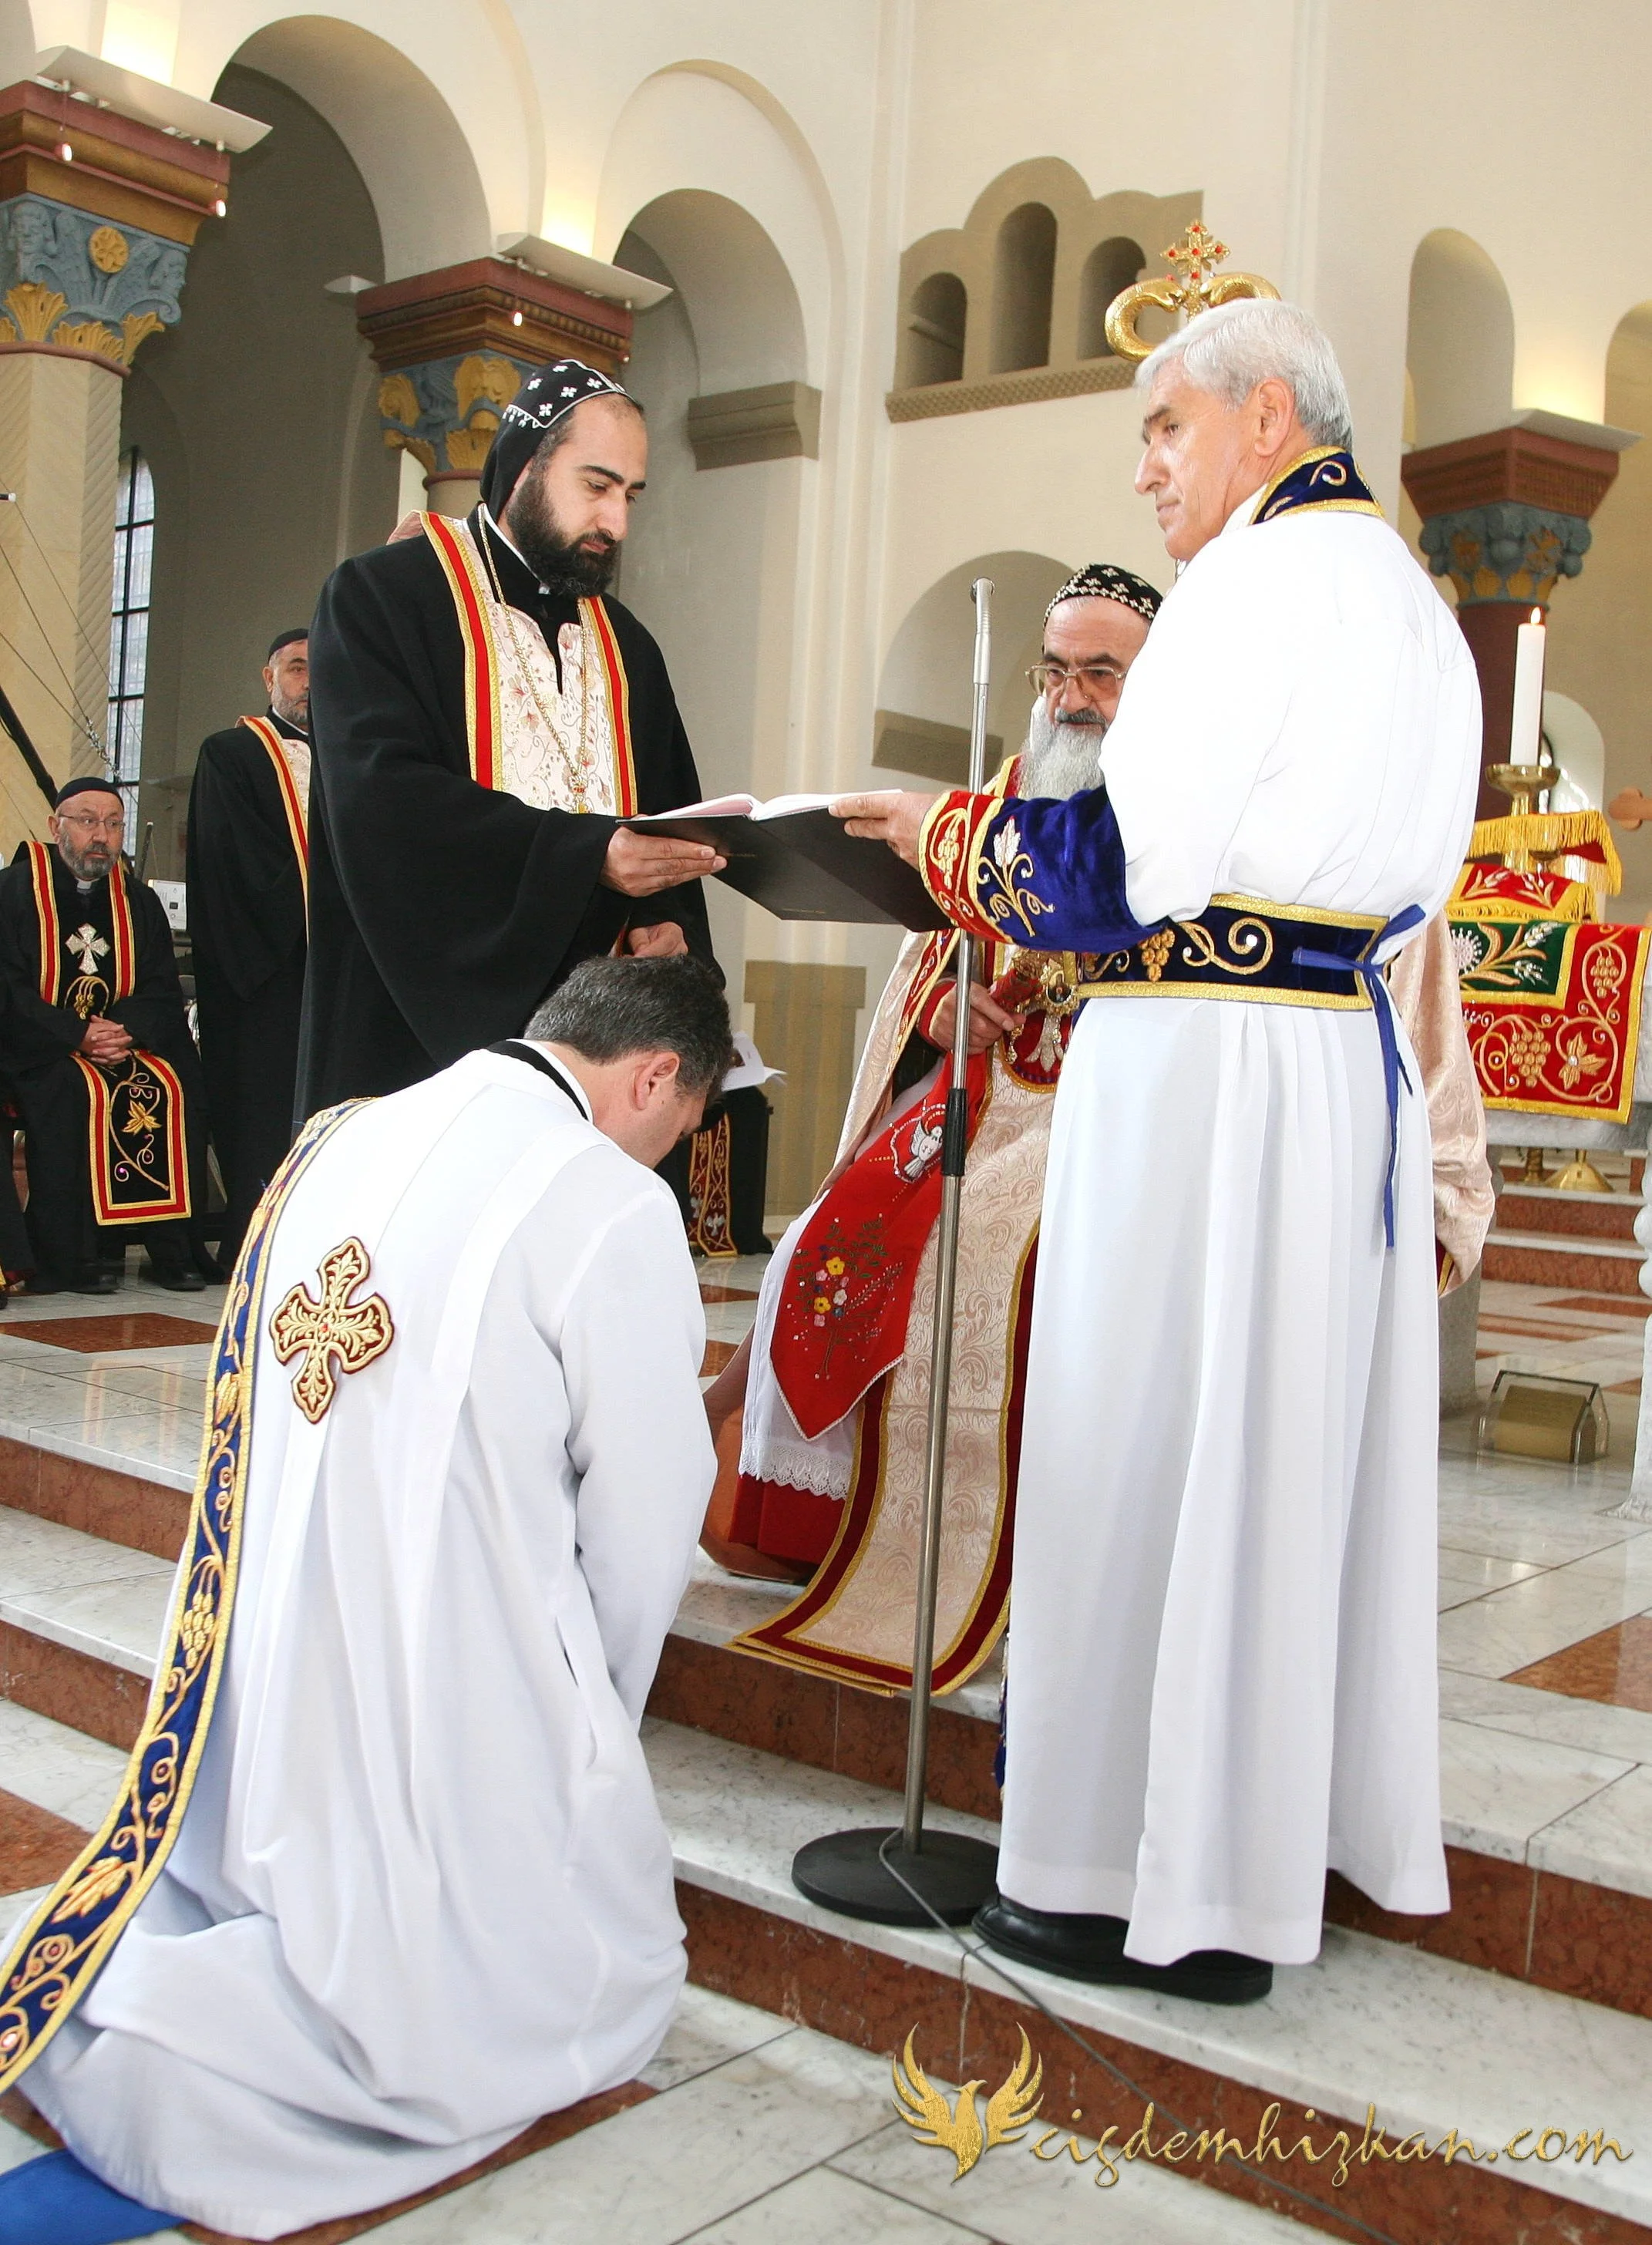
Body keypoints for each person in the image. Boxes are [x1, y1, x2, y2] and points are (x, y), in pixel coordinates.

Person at [836, 299, 1479, 2001]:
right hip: (1336, 1070)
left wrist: (944, 835)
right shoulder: (1415, 607)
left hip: (1199, 1070)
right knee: (1265, 1477)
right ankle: (1236, 1889)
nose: (1143, 472)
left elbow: (1125, 867)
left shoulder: (1249, 590)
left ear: (1267, 416)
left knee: (1132, 1451)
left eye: (1165, 431)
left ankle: (1088, 1879)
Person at [0, 954, 732, 2241]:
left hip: (273, 1639)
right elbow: (647, 1510)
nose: (664, 1156)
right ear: (654, 1076)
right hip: (453, 1661)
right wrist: (589, 1712)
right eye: (677, 1128)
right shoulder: (605, 1203)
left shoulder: (335, 1136)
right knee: (608, 1976)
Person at [701, 565, 1162, 1719]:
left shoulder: (1179, 802)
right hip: (986, 1092)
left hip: (1108, 1116)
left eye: (1099, 672)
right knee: (825, 1235)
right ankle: (822, 1527)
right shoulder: (1007, 793)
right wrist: (941, 1004)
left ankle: (1000, 1562)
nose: (1069, 698)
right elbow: (938, 950)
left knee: (988, 1271)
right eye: (1052, 672)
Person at [298, 358, 725, 1116]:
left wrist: (668, 927)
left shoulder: (629, 648)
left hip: (595, 1064)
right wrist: (588, 854)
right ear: (523, 466)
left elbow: (670, 826)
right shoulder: (384, 597)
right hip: (410, 1044)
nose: (616, 522)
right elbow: (382, 802)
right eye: (595, 487)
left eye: (630, 495)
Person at [0, 778, 209, 1294]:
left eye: (114, 825)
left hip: (118, 1041)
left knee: (179, 1083)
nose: (102, 836)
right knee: (68, 1089)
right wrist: (75, 1034)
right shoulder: (11, 893)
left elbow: (161, 983)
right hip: (39, 1044)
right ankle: (70, 1257)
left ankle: (172, 1249)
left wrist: (125, 1031)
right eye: (88, 821)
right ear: (56, 827)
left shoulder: (138, 902)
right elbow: (8, 988)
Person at [187, 628, 311, 1265]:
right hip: (270, 966)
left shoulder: (366, 759)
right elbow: (235, 861)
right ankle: (258, 1241)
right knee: (264, 1105)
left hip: (344, 970)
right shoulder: (232, 754)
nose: (309, 683)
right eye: (296, 669)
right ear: (268, 679)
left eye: (322, 670)